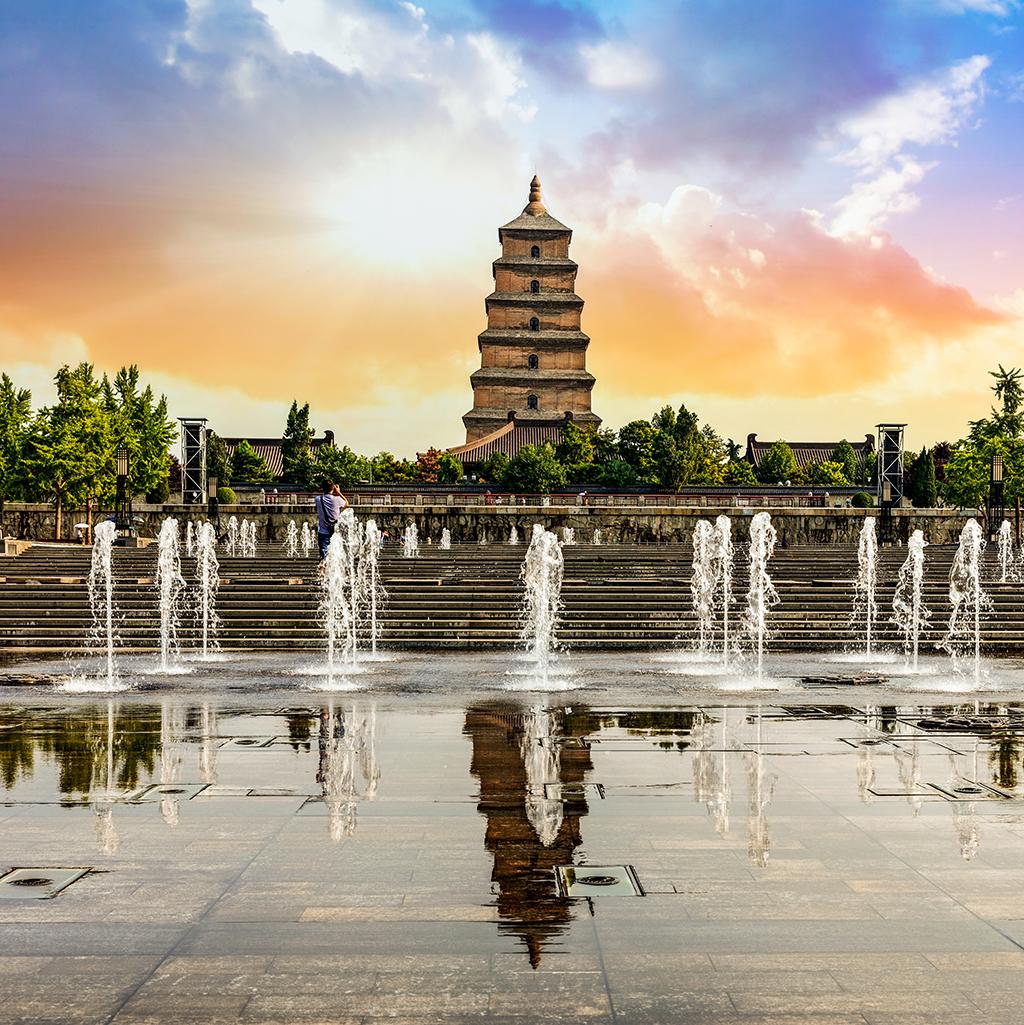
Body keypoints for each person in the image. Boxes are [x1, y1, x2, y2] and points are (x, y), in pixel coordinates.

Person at [314, 480, 345, 560]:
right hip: (335, 531)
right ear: (333, 488)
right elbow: (347, 503)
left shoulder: (317, 499)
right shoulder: (337, 499)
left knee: (323, 556)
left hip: (323, 531)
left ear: (322, 488)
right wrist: (339, 493)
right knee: (336, 555)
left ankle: (322, 569)